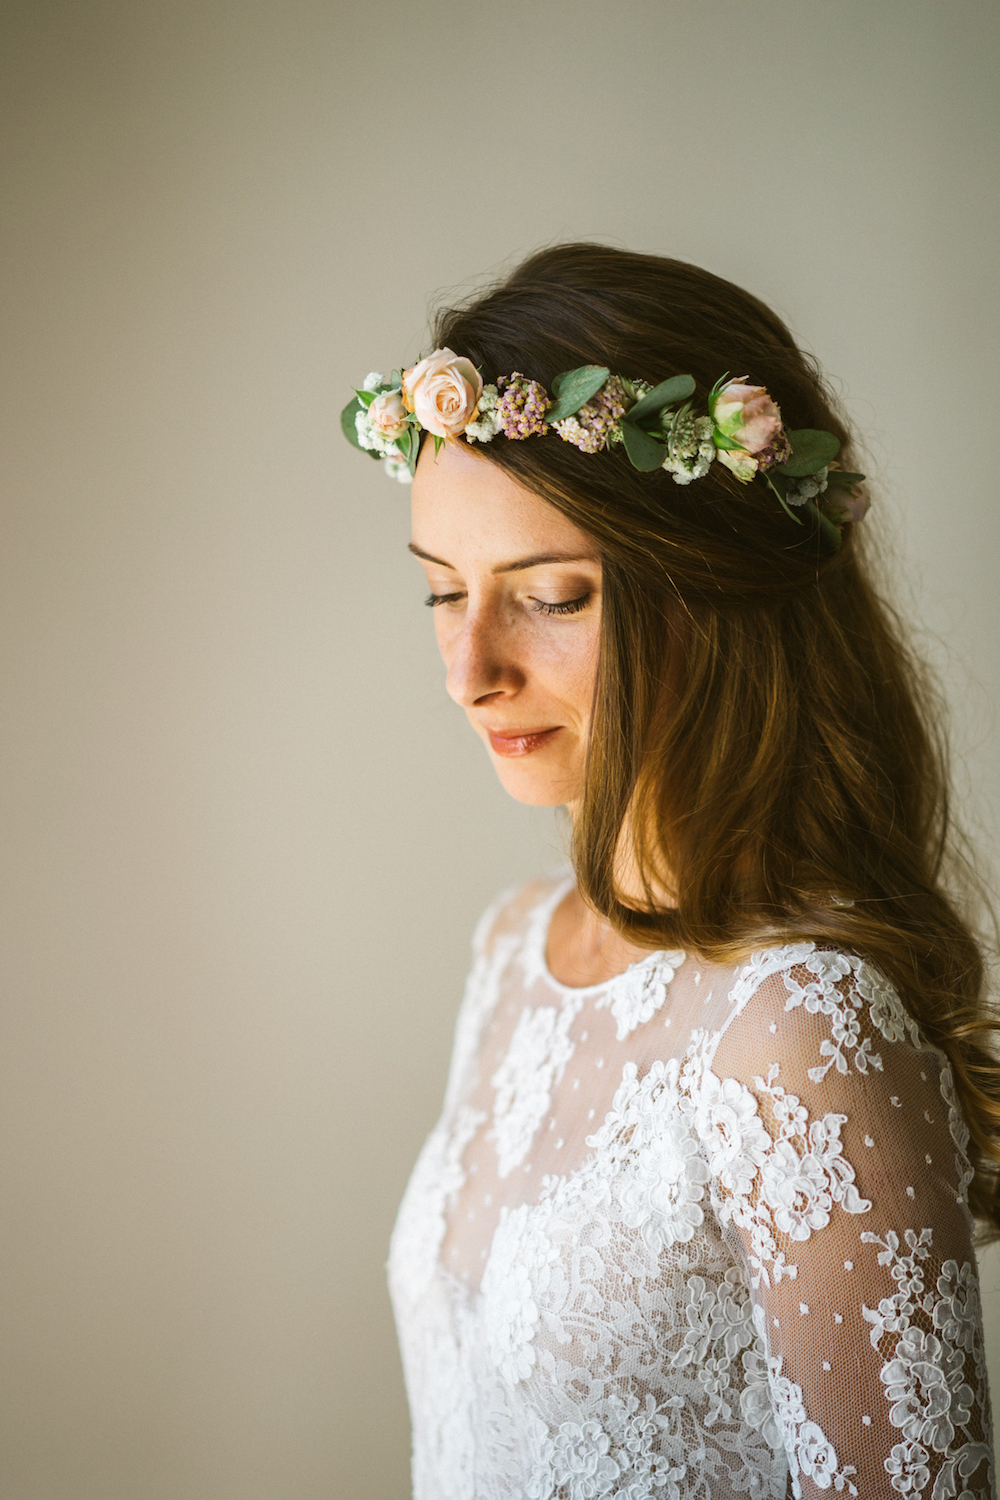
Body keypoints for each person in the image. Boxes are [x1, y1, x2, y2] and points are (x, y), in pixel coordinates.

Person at [343, 244, 998, 1498]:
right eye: (441, 593)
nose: (468, 667)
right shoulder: (510, 950)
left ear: (714, 593)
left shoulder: (799, 1028)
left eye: (549, 595)